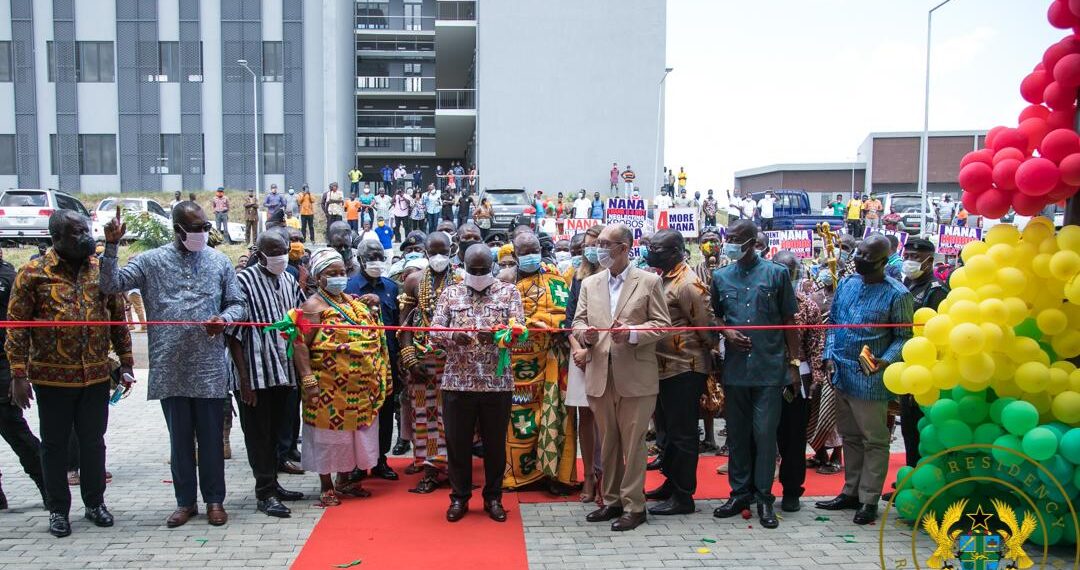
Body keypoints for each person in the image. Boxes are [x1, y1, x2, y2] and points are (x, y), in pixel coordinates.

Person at [99, 201, 246, 528]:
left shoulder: (220, 261)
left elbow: (238, 304)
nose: (203, 233)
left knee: (210, 440)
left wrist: (223, 319)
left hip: (209, 366)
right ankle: (185, 502)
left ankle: (214, 501)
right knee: (179, 441)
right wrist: (111, 246)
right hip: (170, 367)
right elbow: (110, 285)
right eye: (196, 229)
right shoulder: (151, 262)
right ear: (177, 230)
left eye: (206, 227)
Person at [5, 211, 131, 537]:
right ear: (56, 238)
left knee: (93, 442)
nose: (86, 237)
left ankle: (94, 504)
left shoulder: (100, 271)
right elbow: (16, 329)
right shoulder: (32, 273)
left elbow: (118, 317)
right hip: (52, 378)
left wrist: (127, 364)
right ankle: (58, 509)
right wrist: (18, 376)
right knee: (54, 446)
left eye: (86, 230)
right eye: (77, 232)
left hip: (95, 375)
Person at [572, 224, 671, 532]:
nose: (599, 249)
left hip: (636, 375)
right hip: (600, 373)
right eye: (598, 243)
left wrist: (631, 334)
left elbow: (662, 325)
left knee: (633, 443)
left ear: (625, 248)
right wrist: (584, 335)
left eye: (606, 244)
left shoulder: (650, 281)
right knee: (609, 441)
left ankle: (634, 506)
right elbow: (578, 321)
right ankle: (612, 500)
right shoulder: (590, 282)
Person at [817, 234, 913, 525]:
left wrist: (886, 361)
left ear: (884, 261)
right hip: (841, 373)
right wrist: (828, 356)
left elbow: (904, 337)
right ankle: (850, 492)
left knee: (874, 440)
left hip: (871, 379)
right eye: (857, 252)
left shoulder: (898, 294)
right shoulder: (846, 284)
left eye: (866, 256)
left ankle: (869, 500)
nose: (858, 258)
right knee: (850, 437)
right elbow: (833, 323)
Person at [710, 219, 798, 529]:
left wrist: (795, 363)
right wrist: (727, 332)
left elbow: (789, 320)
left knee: (764, 434)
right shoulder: (720, 277)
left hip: (769, 369)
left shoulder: (777, 274)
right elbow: (715, 318)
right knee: (737, 435)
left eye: (735, 238)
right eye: (728, 237)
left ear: (751, 241)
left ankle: (764, 497)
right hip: (736, 371)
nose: (729, 243)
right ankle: (739, 494)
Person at [429, 244, 523, 522]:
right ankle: (459, 499)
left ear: (493, 267)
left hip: (497, 384)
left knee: (495, 445)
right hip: (458, 382)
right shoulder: (450, 293)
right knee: (458, 445)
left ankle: (493, 498)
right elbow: (434, 331)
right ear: (464, 267)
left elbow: (520, 331)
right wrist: (450, 337)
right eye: (474, 270)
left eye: (484, 270)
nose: (479, 275)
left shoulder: (509, 292)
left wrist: (498, 337)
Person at [290, 248, 389, 505]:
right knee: (328, 437)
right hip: (327, 390)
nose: (338, 277)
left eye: (342, 272)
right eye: (331, 273)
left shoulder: (352, 303)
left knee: (353, 436)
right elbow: (300, 344)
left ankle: (346, 480)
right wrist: (308, 379)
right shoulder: (312, 306)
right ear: (318, 277)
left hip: (360, 390)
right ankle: (327, 485)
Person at [227, 231, 307, 519]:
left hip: (282, 371)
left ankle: (274, 482)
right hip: (255, 374)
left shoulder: (289, 278)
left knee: (278, 432)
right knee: (258, 434)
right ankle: (265, 493)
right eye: (273, 251)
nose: (280, 256)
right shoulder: (243, 282)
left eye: (283, 250)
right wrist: (244, 381)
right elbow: (233, 336)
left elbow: (301, 315)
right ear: (259, 254)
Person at [499, 231, 577, 494]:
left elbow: (566, 314)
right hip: (518, 367)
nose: (532, 256)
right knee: (517, 422)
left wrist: (551, 325)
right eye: (525, 252)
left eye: (536, 250)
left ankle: (554, 476)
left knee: (555, 417)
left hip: (552, 361)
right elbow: (500, 321)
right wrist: (528, 325)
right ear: (515, 255)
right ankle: (519, 475)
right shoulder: (506, 283)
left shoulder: (555, 278)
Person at [641, 229, 712, 517]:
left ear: (675, 251)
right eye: (651, 248)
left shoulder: (688, 283)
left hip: (685, 366)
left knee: (682, 434)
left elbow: (705, 327)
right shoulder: (663, 277)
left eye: (657, 249)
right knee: (667, 433)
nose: (651, 253)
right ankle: (671, 484)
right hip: (662, 367)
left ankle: (684, 496)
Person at [398, 232, 457, 492]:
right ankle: (431, 469)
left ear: (452, 250)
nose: (438, 258)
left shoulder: (464, 279)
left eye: (443, 252)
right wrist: (409, 358)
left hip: (457, 360)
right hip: (422, 359)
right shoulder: (414, 280)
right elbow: (404, 323)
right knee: (424, 416)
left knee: (456, 416)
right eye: (433, 253)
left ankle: (456, 469)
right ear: (424, 253)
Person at [770, 251, 827, 513]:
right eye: (780, 270)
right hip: (764, 375)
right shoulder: (762, 303)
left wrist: (816, 376)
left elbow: (815, 346)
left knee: (793, 438)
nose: (785, 276)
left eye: (789, 271)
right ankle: (757, 489)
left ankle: (792, 490)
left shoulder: (808, 306)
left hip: (797, 378)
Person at [344, 241, 401, 481]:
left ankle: (381, 460)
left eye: (380, 256)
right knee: (360, 414)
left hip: (387, 361)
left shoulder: (391, 287)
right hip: (360, 363)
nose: (377, 261)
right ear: (360, 259)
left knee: (386, 412)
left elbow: (397, 325)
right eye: (372, 257)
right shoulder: (349, 286)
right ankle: (358, 463)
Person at [898, 237, 947, 468]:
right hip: (905, 364)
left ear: (929, 261)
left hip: (925, 369)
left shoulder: (936, 291)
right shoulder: (905, 284)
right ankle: (908, 478)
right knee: (907, 428)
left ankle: (921, 477)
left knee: (921, 427)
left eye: (915, 258)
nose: (909, 261)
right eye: (906, 256)